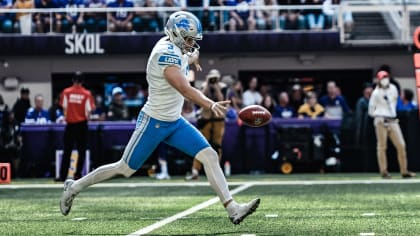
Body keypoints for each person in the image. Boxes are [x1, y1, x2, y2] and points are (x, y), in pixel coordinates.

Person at [60, 11, 260, 225]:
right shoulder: (164, 54)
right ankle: (74, 187)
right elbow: (184, 88)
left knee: (210, 156)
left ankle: (232, 209)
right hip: (153, 122)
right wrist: (210, 103)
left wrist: (192, 58)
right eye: (189, 39)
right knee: (125, 168)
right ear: (176, 34)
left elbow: (184, 56)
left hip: (174, 122)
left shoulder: (174, 46)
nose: (191, 43)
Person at [368, 70, 416, 179]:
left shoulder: (393, 88)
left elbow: (394, 102)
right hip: (380, 120)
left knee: (401, 145)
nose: (384, 79)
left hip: (393, 120)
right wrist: (379, 115)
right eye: (382, 77)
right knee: (381, 146)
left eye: (385, 77)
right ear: (378, 79)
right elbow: (370, 110)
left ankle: (404, 170)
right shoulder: (376, 93)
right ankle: (384, 171)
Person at [185, 69, 226, 180]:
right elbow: (202, 99)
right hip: (206, 119)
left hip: (218, 120)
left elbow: (222, 99)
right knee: (201, 145)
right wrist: (208, 84)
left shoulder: (222, 87)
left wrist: (216, 86)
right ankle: (195, 170)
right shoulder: (204, 86)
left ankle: (216, 171)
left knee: (217, 146)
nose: (213, 80)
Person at [56, 71, 95, 182]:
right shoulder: (87, 94)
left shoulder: (66, 92)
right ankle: (77, 175)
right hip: (82, 125)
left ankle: (63, 176)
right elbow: (88, 112)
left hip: (70, 125)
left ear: (73, 80)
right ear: (83, 81)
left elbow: (64, 108)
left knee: (67, 150)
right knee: (81, 151)